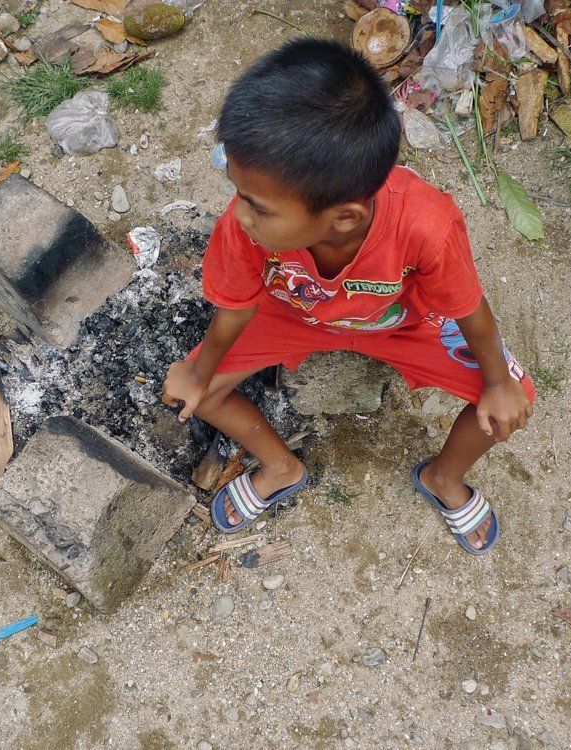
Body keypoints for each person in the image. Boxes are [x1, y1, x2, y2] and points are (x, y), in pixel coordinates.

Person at [162, 38, 535, 554]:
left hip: (403, 323)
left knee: (514, 399)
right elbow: (238, 306)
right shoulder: (246, 225)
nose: (239, 214)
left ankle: (443, 477)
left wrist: (496, 383)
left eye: (258, 206)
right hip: (291, 312)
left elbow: (468, 307)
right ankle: (280, 465)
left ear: (345, 218)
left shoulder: (427, 225)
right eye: (239, 193)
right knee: (197, 392)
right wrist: (199, 373)